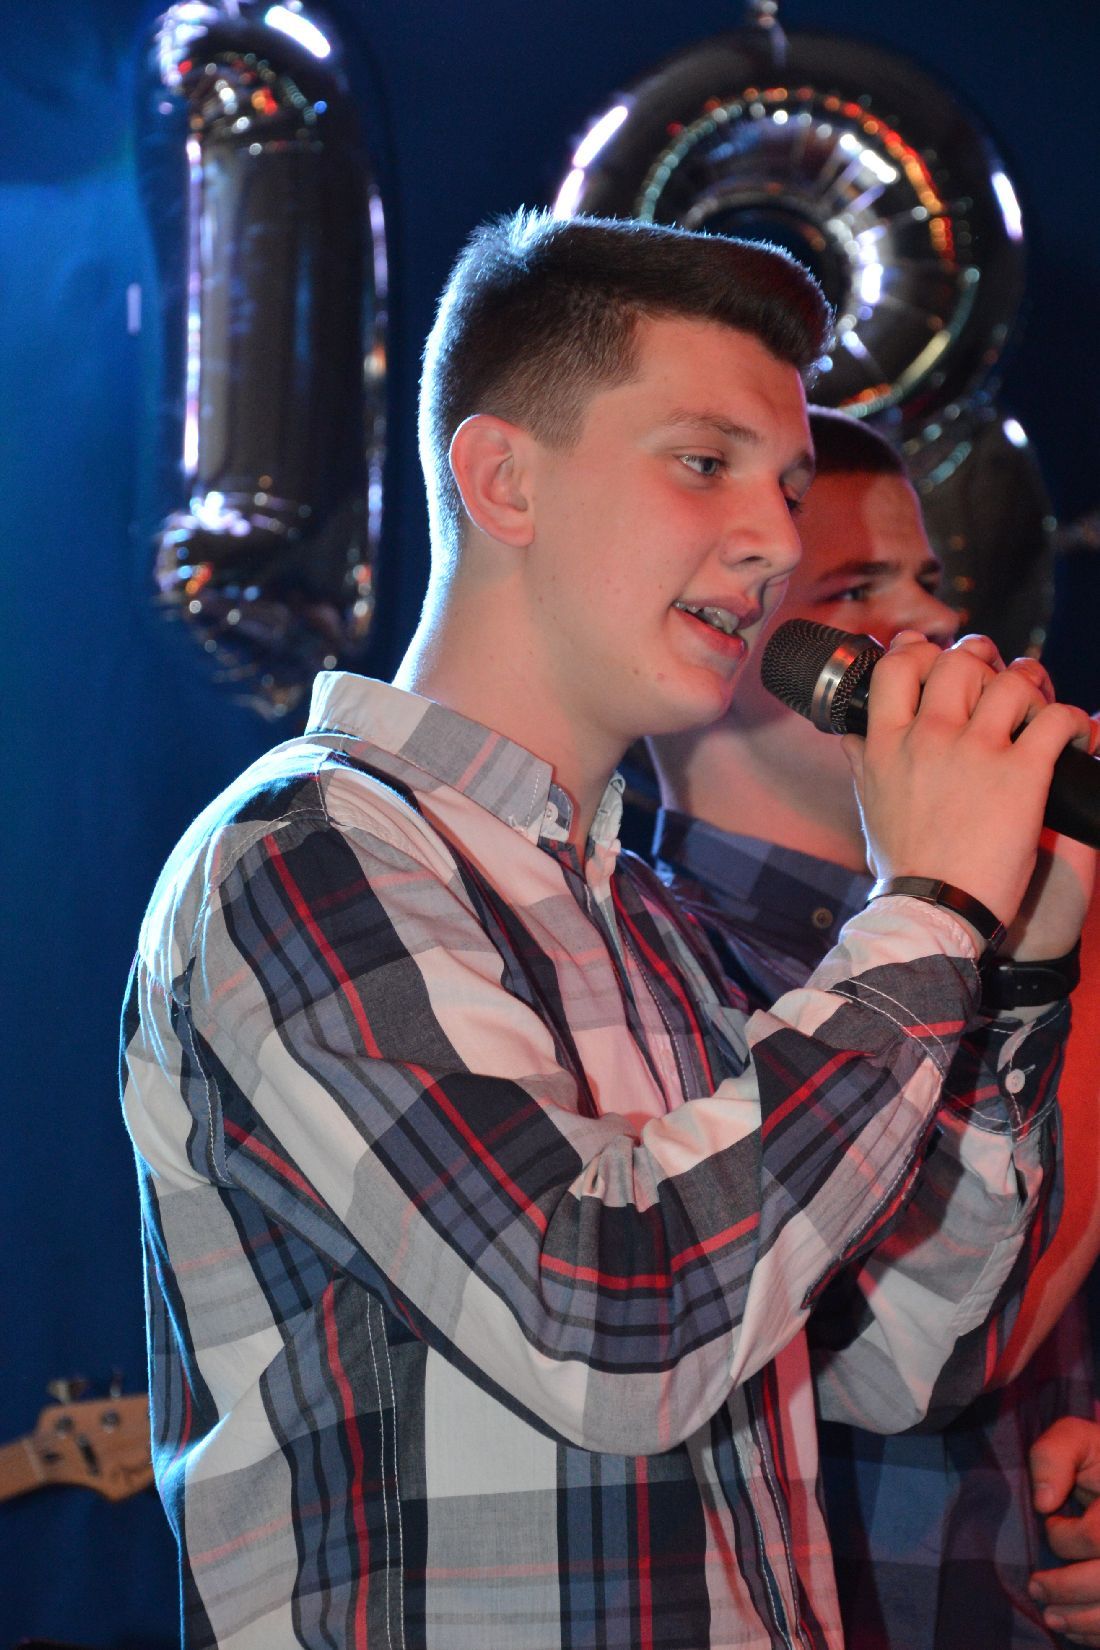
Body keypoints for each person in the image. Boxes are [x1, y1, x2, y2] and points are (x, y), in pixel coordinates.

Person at [121, 212, 1094, 1650]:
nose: (773, 540)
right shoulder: (304, 853)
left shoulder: (653, 918)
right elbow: (611, 1326)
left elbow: (896, 1358)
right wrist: (930, 906)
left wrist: (1016, 971)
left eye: (788, 486)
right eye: (704, 464)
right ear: (502, 479)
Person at [648, 406, 1100, 1648]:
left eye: (929, 579)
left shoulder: (1009, 930)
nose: (931, 626)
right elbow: (937, 1343)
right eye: (854, 591)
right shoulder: (659, 960)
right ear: (727, 635)